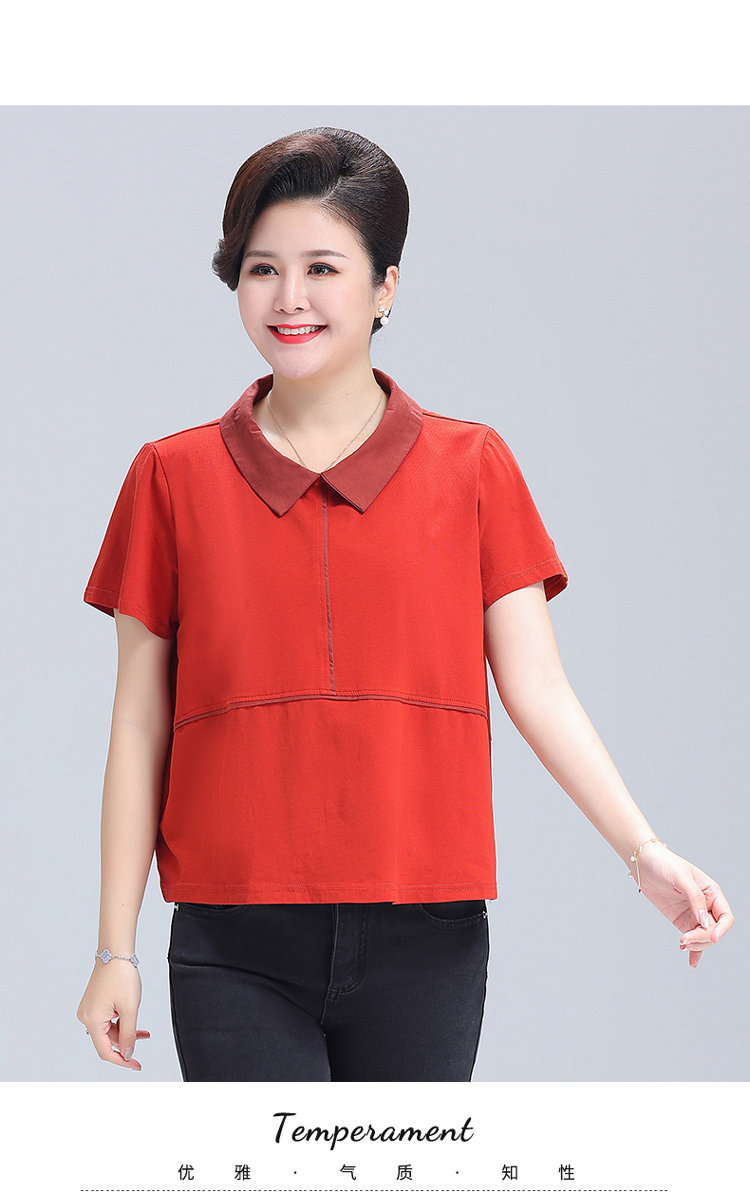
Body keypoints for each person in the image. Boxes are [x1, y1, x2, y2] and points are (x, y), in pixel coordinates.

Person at [76, 126, 734, 1082]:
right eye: (262, 268)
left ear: (386, 286)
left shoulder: (474, 467)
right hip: (231, 939)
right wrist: (116, 948)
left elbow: (538, 687)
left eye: (322, 268)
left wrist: (645, 852)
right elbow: (139, 723)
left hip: (428, 940)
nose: (290, 297)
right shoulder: (170, 477)